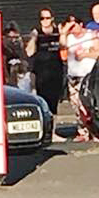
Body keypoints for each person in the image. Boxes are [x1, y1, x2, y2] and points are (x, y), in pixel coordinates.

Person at [62, 16, 99, 142]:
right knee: (76, 106)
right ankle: (83, 132)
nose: (72, 29)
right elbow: (62, 48)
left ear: (81, 24)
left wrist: (85, 54)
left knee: (89, 105)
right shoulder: (69, 38)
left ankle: (97, 132)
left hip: (87, 76)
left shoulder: (91, 36)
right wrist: (64, 31)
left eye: (74, 25)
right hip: (74, 76)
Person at [28, 8, 65, 136]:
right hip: (41, 73)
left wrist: (63, 34)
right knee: (43, 102)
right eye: (42, 18)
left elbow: (63, 47)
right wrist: (33, 39)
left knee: (54, 103)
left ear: (52, 18)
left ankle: (53, 132)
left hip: (55, 71)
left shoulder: (57, 32)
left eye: (47, 18)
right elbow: (29, 52)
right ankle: (45, 132)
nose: (45, 21)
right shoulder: (37, 33)